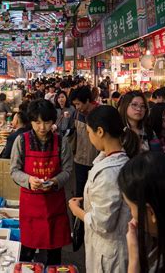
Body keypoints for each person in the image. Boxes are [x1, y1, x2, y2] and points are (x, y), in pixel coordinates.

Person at [68, 105, 139, 272]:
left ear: (100, 131)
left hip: (109, 253)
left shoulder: (110, 172)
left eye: (89, 132)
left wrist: (76, 210)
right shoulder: (110, 159)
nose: (89, 136)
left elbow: (103, 223)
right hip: (108, 247)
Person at [10, 99, 72, 265]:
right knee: (27, 251)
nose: (42, 127)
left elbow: (67, 170)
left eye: (46, 122)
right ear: (30, 121)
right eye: (37, 122)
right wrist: (28, 180)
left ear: (53, 121)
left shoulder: (61, 142)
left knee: (54, 252)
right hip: (31, 204)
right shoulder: (21, 141)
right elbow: (14, 171)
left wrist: (55, 181)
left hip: (54, 203)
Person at [70, 86, 99, 197]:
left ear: (87, 100)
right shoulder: (77, 114)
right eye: (75, 104)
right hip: (80, 160)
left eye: (78, 104)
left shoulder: (100, 113)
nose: (76, 107)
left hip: (96, 160)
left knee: (94, 192)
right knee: (80, 191)